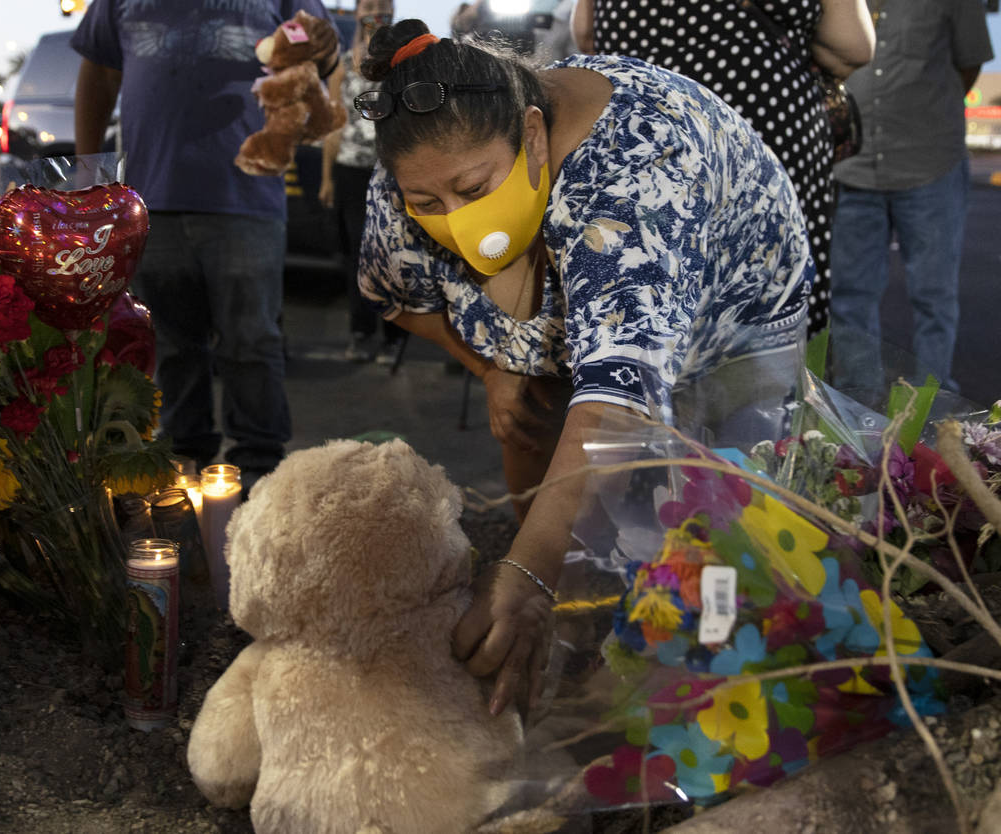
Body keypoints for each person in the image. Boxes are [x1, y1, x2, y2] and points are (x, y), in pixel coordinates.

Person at [355, 20, 814, 714]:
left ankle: (717, 708)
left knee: (722, 542)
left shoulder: (634, 171)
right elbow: (395, 295)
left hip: (735, 327)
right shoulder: (417, 165)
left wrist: (532, 573)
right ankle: (581, 648)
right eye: (429, 204)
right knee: (563, 480)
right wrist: (490, 368)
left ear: (534, 134)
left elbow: (617, 400)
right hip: (599, 316)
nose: (454, 218)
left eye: (474, 188)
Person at [71, 0, 339, 489]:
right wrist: (89, 173)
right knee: (172, 344)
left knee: (252, 342)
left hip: (247, 194)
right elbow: (100, 75)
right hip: (152, 197)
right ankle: (183, 467)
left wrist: (325, 48)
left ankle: (260, 472)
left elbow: (317, 50)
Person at [570, 0, 876, 337]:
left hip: (641, 130)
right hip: (764, 127)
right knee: (767, 310)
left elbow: (586, 34)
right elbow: (855, 47)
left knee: (641, 295)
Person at [829, 0, 993, 401]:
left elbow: (968, 65)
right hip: (853, 165)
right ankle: (857, 407)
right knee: (849, 295)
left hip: (930, 161)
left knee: (934, 297)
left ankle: (930, 408)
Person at [319, 0, 406, 363]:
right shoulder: (342, 63)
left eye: (383, 5)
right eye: (369, 5)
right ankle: (361, 332)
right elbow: (333, 123)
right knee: (357, 254)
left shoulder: (404, 62)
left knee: (391, 253)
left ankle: (393, 335)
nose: (376, 12)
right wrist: (326, 177)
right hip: (351, 171)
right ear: (356, 13)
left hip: (393, 172)